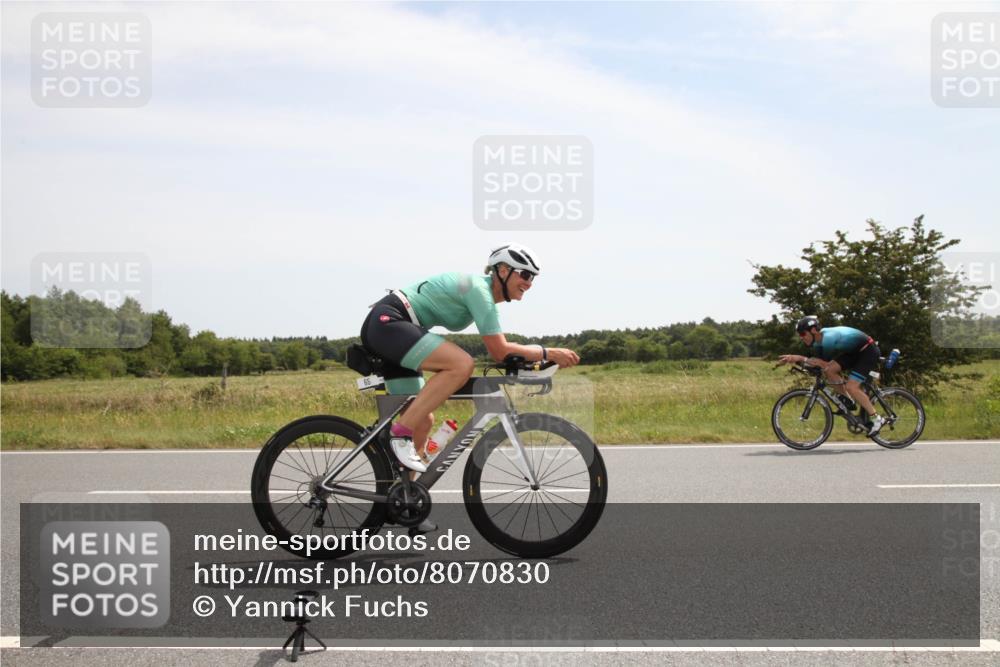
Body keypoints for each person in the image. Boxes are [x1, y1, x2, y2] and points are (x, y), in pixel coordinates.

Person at [359, 243, 580, 474]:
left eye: (533, 277)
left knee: (422, 421)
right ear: (503, 271)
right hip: (389, 323)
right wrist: (549, 353)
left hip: (395, 331)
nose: (529, 282)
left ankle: (402, 497)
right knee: (461, 364)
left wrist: (532, 361)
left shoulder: (483, 296)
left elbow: (504, 352)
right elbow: (500, 350)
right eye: (525, 274)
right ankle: (400, 434)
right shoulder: (478, 291)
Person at [777, 316, 886, 436]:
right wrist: (793, 360)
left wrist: (798, 358)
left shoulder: (828, 338)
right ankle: (849, 401)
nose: (801, 337)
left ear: (813, 330)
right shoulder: (817, 342)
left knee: (852, 386)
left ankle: (877, 419)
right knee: (830, 371)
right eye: (799, 335)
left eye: (803, 334)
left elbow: (823, 363)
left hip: (868, 351)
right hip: (854, 352)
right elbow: (819, 363)